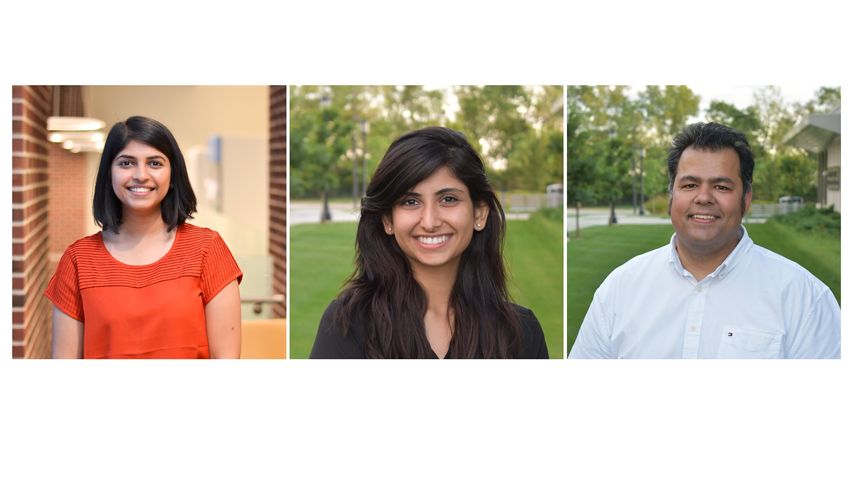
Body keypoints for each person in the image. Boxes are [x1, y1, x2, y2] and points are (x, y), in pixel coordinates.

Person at [570, 122, 840, 359]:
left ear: (746, 199)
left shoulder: (804, 298)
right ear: (671, 196)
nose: (704, 197)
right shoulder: (620, 289)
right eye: (689, 185)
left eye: (721, 187)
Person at [309, 127, 548, 359]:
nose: (430, 221)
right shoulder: (347, 325)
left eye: (448, 199)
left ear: (479, 214)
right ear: (388, 220)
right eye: (410, 202)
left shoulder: (522, 334)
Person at [45, 116, 243, 359]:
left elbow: (226, 361)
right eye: (126, 163)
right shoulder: (78, 260)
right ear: (109, 173)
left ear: (172, 175)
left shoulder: (207, 250)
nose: (141, 175)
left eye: (155, 163)